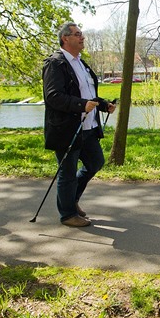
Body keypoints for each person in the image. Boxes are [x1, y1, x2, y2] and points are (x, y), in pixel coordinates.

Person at [42, 22, 116, 227]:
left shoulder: (81, 63)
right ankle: (67, 214)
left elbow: (87, 94)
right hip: (67, 128)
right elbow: (53, 96)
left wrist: (102, 105)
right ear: (65, 39)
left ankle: (71, 199)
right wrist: (82, 105)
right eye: (77, 34)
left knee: (95, 163)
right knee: (67, 172)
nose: (82, 37)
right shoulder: (55, 63)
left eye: (82, 34)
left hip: (88, 127)